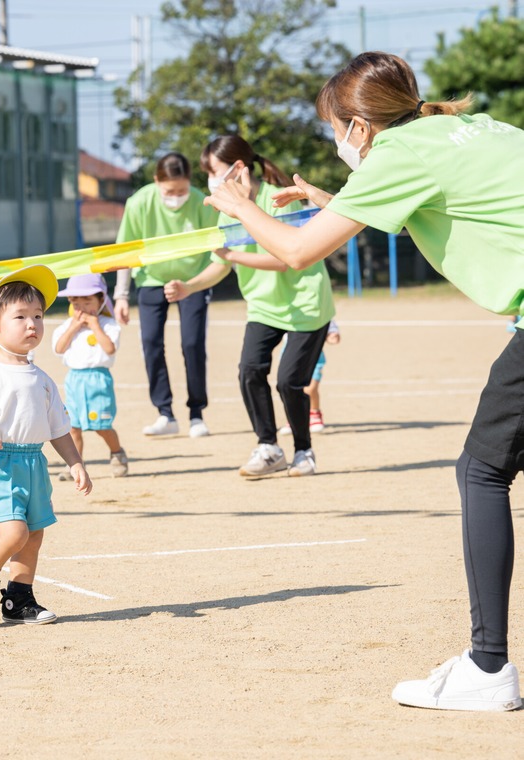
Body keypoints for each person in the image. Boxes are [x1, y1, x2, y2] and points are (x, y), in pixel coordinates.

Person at [203, 51, 524, 711]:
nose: (334, 141)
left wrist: (238, 203)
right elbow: (423, 209)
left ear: (361, 128)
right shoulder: (476, 128)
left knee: (482, 472)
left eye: (333, 128)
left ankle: (488, 669)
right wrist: (326, 199)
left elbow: (295, 252)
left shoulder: (399, 156)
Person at [165, 135, 334, 478]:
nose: (210, 181)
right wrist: (189, 287)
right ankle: (269, 447)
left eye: (213, 171)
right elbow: (221, 264)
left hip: (306, 306)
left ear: (238, 168)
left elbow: (287, 260)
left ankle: (304, 451)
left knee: (289, 382)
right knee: (249, 370)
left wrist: (231, 255)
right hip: (263, 307)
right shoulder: (227, 212)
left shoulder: (280, 200)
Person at [0, 266, 92, 627]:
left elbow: (59, 429)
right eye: (20, 317)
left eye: (38, 316)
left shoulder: (43, 379)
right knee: (14, 533)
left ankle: (20, 598)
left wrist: (75, 462)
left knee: (33, 534)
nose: (32, 324)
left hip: (34, 463)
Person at [113, 152, 219, 438]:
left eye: (182, 190)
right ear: (157, 181)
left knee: (192, 343)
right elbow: (125, 251)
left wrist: (199, 281)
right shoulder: (138, 203)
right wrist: (121, 295)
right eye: (170, 191)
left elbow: (216, 247)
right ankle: (165, 413)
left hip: (193, 280)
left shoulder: (201, 202)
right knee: (150, 343)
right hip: (151, 279)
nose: (177, 196)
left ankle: (197, 414)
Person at [51, 273, 128, 477]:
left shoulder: (108, 324)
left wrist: (94, 325)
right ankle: (75, 465)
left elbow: (110, 349)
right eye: (76, 303)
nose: (82, 308)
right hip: (74, 380)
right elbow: (59, 348)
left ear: (101, 300)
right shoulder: (68, 325)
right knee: (73, 427)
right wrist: (74, 327)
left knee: (102, 426)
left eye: (88, 301)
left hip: (98, 380)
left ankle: (117, 453)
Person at [279, 321, 341, 435]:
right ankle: (294, 419)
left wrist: (332, 333)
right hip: (290, 354)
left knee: (310, 389)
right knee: (290, 390)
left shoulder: (315, 308)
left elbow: (326, 319)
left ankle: (315, 413)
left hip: (313, 355)